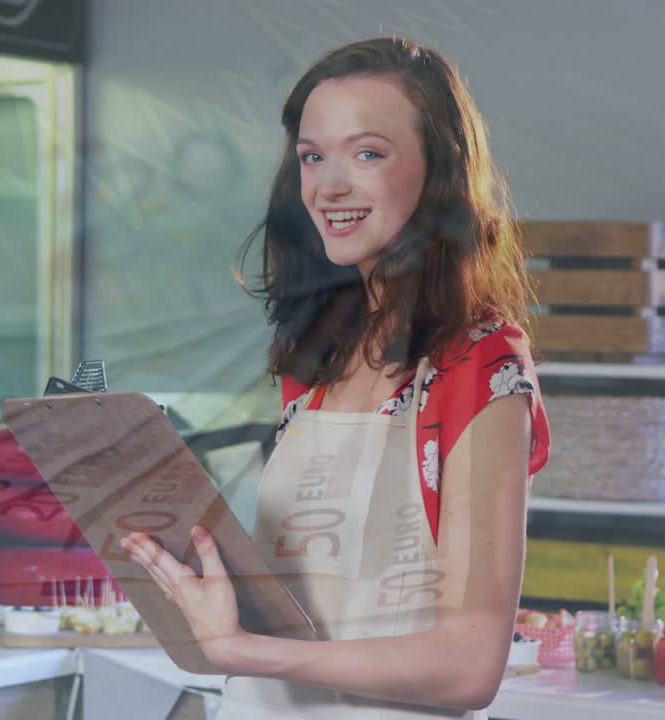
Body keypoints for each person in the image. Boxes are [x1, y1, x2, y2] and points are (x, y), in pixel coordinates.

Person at [121, 36, 551, 718]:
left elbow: (469, 669)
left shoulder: (480, 363)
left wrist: (241, 651)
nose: (328, 185)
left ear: (438, 170)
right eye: (312, 156)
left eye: (368, 153)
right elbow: (313, 595)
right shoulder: (317, 356)